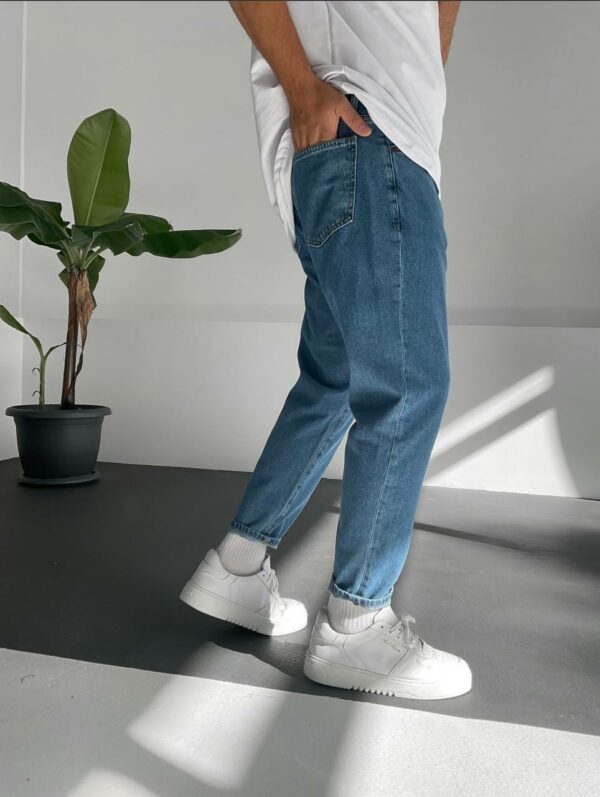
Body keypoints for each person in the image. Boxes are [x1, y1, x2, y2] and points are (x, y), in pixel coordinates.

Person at [180, 0, 471, 700]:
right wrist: (306, 90)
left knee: (336, 379)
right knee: (406, 385)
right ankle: (355, 625)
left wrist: (416, 94)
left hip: (372, 139)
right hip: (366, 134)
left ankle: (239, 566)